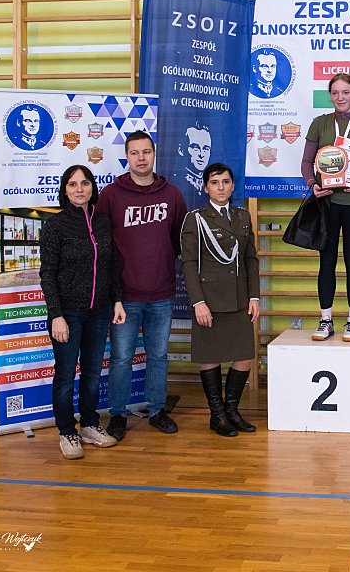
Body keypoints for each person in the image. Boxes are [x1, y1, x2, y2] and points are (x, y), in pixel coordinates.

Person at [96, 130, 188, 440]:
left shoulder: (171, 194)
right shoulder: (111, 195)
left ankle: (157, 410)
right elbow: (102, 243)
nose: (141, 158)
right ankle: (118, 415)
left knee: (158, 356)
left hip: (161, 293)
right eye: (134, 153)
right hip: (124, 296)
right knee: (121, 357)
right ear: (127, 156)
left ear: (154, 153)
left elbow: (178, 239)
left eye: (146, 152)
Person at [39, 165, 126, 459]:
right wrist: (56, 315)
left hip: (99, 311)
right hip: (68, 313)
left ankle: (89, 424)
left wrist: (116, 301)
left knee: (92, 372)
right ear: (65, 190)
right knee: (65, 376)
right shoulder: (55, 226)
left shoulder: (102, 222)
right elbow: (48, 274)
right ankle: (67, 431)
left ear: (92, 188)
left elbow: (111, 266)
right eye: (73, 184)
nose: (79, 189)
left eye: (85, 183)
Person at [181, 163, 260, 436]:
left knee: (244, 356)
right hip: (210, 300)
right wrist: (198, 302)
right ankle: (217, 414)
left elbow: (250, 258)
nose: (221, 187)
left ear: (233, 185)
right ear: (206, 187)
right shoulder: (195, 219)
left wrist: (254, 295)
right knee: (211, 356)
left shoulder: (242, 216)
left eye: (226, 182)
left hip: (239, 297)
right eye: (215, 182)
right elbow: (189, 263)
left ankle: (232, 410)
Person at [300, 74, 350, 342]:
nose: (340, 97)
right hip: (327, 203)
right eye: (335, 93)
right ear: (330, 96)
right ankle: (326, 320)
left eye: (345, 92)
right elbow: (306, 162)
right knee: (326, 261)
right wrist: (313, 184)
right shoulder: (320, 123)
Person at [177, 122, 212, 205]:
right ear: (181, 150)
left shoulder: (214, 185)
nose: (201, 154)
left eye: (206, 149)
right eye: (195, 148)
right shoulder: (175, 184)